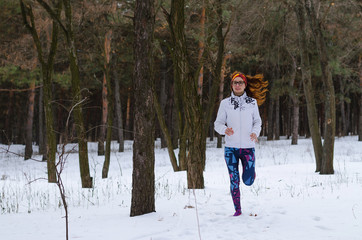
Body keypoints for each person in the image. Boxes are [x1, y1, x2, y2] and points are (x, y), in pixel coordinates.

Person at [214, 71, 268, 216]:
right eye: (235, 82)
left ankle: (251, 174)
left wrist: (255, 133)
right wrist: (225, 130)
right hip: (230, 149)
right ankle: (237, 210)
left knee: (248, 181)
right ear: (231, 85)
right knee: (234, 179)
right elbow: (217, 124)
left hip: (248, 148)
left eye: (240, 82)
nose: (237, 85)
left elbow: (257, 122)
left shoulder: (252, 103)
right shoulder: (225, 104)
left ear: (245, 85)